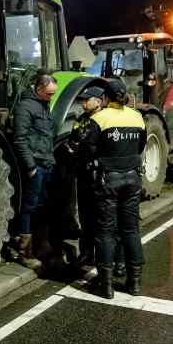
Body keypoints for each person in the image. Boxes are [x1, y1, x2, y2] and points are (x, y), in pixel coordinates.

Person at [81, 78, 146, 299]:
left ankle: (106, 285)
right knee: (130, 230)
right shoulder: (137, 117)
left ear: (105, 98)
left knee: (106, 232)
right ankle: (134, 283)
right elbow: (141, 146)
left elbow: (88, 150)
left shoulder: (100, 118)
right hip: (132, 179)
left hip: (108, 181)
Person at [12, 73, 58, 270]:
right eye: (49, 94)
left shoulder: (43, 105)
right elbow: (20, 139)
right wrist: (30, 167)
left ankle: (41, 246)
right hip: (36, 166)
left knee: (42, 206)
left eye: (52, 94)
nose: (51, 98)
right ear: (39, 89)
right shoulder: (25, 107)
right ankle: (25, 252)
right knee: (29, 208)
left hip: (46, 163)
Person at [64, 85, 106, 279]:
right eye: (82, 99)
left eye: (87, 99)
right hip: (82, 174)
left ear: (98, 101)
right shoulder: (81, 120)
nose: (83, 102)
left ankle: (103, 258)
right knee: (85, 215)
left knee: (100, 219)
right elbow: (74, 139)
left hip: (99, 177)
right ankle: (87, 253)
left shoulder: (105, 120)